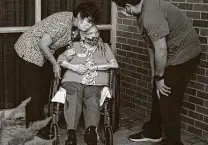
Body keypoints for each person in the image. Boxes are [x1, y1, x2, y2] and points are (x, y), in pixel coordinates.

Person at [112, 0, 201, 145]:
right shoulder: (143, 10)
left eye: (120, 8)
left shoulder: (150, 16)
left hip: (185, 56)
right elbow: (151, 45)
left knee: (168, 99)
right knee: (158, 90)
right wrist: (155, 75)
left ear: (127, 7)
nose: (122, 11)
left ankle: (174, 142)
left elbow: (160, 50)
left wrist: (160, 78)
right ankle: (153, 131)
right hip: (170, 53)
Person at [14, 2, 99, 139]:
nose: (89, 25)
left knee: (41, 89)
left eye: (92, 22)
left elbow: (68, 43)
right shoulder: (61, 22)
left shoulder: (75, 27)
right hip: (28, 51)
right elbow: (43, 44)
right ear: (78, 16)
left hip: (42, 55)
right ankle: (37, 127)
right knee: (34, 91)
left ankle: (34, 122)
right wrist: (55, 64)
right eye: (88, 21)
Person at [57, 25, 118, 145]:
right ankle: (71, 134)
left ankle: (91, 131)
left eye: (96, 33)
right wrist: (74, 67)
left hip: (95, 81)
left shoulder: (104, 48)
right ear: (83, 35)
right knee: (74, 95)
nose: (94, 35)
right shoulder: (75, 46)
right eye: (90, 33)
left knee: (92, 96)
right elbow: (60, 60)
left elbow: (114, 64)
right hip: (74, 79)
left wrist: (95, 67)